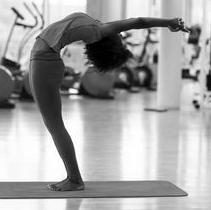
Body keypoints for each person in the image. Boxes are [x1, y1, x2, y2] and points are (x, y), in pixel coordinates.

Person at [29, 12, 189, 192]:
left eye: (119, 39)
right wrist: (168, 22)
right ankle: (73, 177)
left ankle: (74, 179)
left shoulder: (98, 30)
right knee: (53, 124)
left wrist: (168, 21)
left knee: (55, 126)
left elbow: (138, 21)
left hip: (45, 62)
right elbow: (136, 22)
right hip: (44, 60)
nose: (120, 36)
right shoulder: (97, 26)